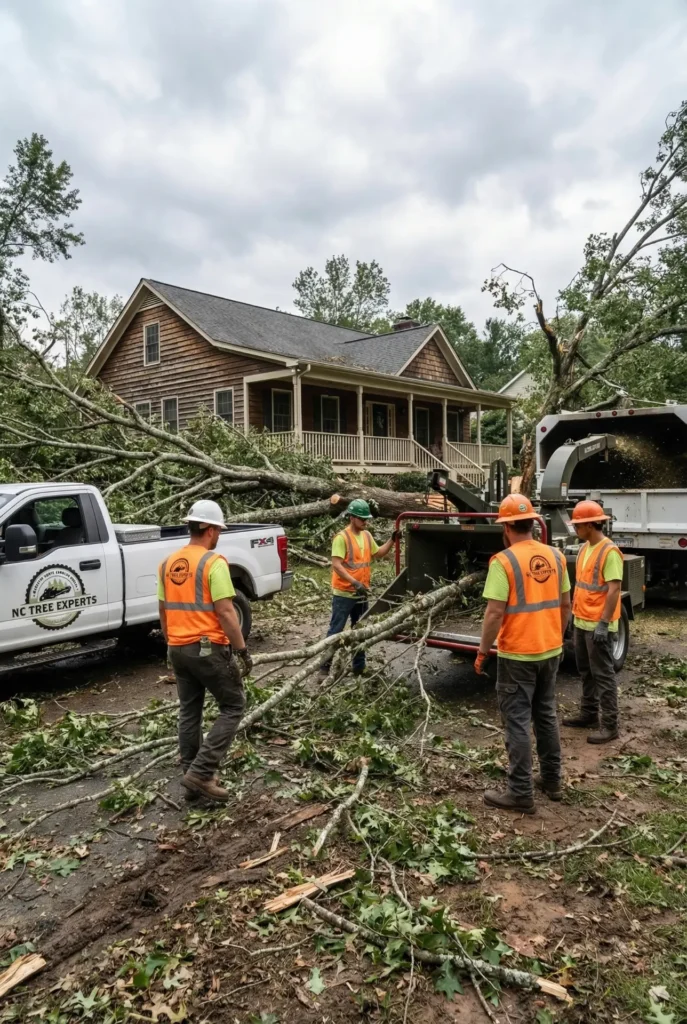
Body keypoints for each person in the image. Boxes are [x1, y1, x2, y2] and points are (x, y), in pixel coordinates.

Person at [475, 494, 571, 814]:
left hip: (517, 654)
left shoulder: (503, 561)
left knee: (516, 721)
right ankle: (552, 780)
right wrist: (556, 637)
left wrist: (482, 651)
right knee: (545, 714)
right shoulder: (556, 556)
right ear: (532, 523)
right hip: (550, 649)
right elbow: (566, 605)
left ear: (505, 528)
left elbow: (494, 613)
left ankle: (520, 792)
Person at [158, 499, 253, 803]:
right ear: (210, 530)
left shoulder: (168, 563)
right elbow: (226, 612)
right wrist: (242, 650)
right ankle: (201, 772)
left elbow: (163, 610)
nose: (219, 536)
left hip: (178, 647)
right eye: (219, 530)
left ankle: (191, 780)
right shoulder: (214, 563)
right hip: (207, 648)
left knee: (190, 711)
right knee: (234, 705)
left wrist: (172, 643)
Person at [563, 500, 623, 744]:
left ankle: (610, 725)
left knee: (603, 675)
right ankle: (588, 714)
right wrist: (574, 617)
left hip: (598, 625)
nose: (575, 528)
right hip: (582, 621)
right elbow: (582, 587)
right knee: (586, 671)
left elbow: (614, 589)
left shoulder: (609, 552)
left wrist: (603, 623)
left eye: (577, 525)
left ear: (589, 524)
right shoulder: (584, 548)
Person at [322, 499, 397, 675]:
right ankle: (324, 667)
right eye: (362, 519)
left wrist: (392, 540)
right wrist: (354, 582)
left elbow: (378, 553)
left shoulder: (367, 536)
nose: (365, 522)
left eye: (366, 519)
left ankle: (359, 666)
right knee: (336, 630)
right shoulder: (341, 538)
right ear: (352, 518)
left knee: (360, 630)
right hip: (344, 593)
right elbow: (336, 564)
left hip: (362, 592)